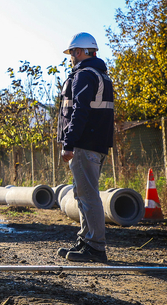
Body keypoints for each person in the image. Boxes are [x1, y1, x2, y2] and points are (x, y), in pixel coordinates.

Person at [56, 32, 114, 263]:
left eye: (71, 53)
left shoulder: (83, 75)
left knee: (88, 195)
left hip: (84, 144)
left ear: (79, 52)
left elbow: (79, 112)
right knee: (82, 194)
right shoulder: (100, 75)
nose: (70, 57)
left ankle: (95, 247)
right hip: (95, 144)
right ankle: (86, 239)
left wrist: (69, 143)